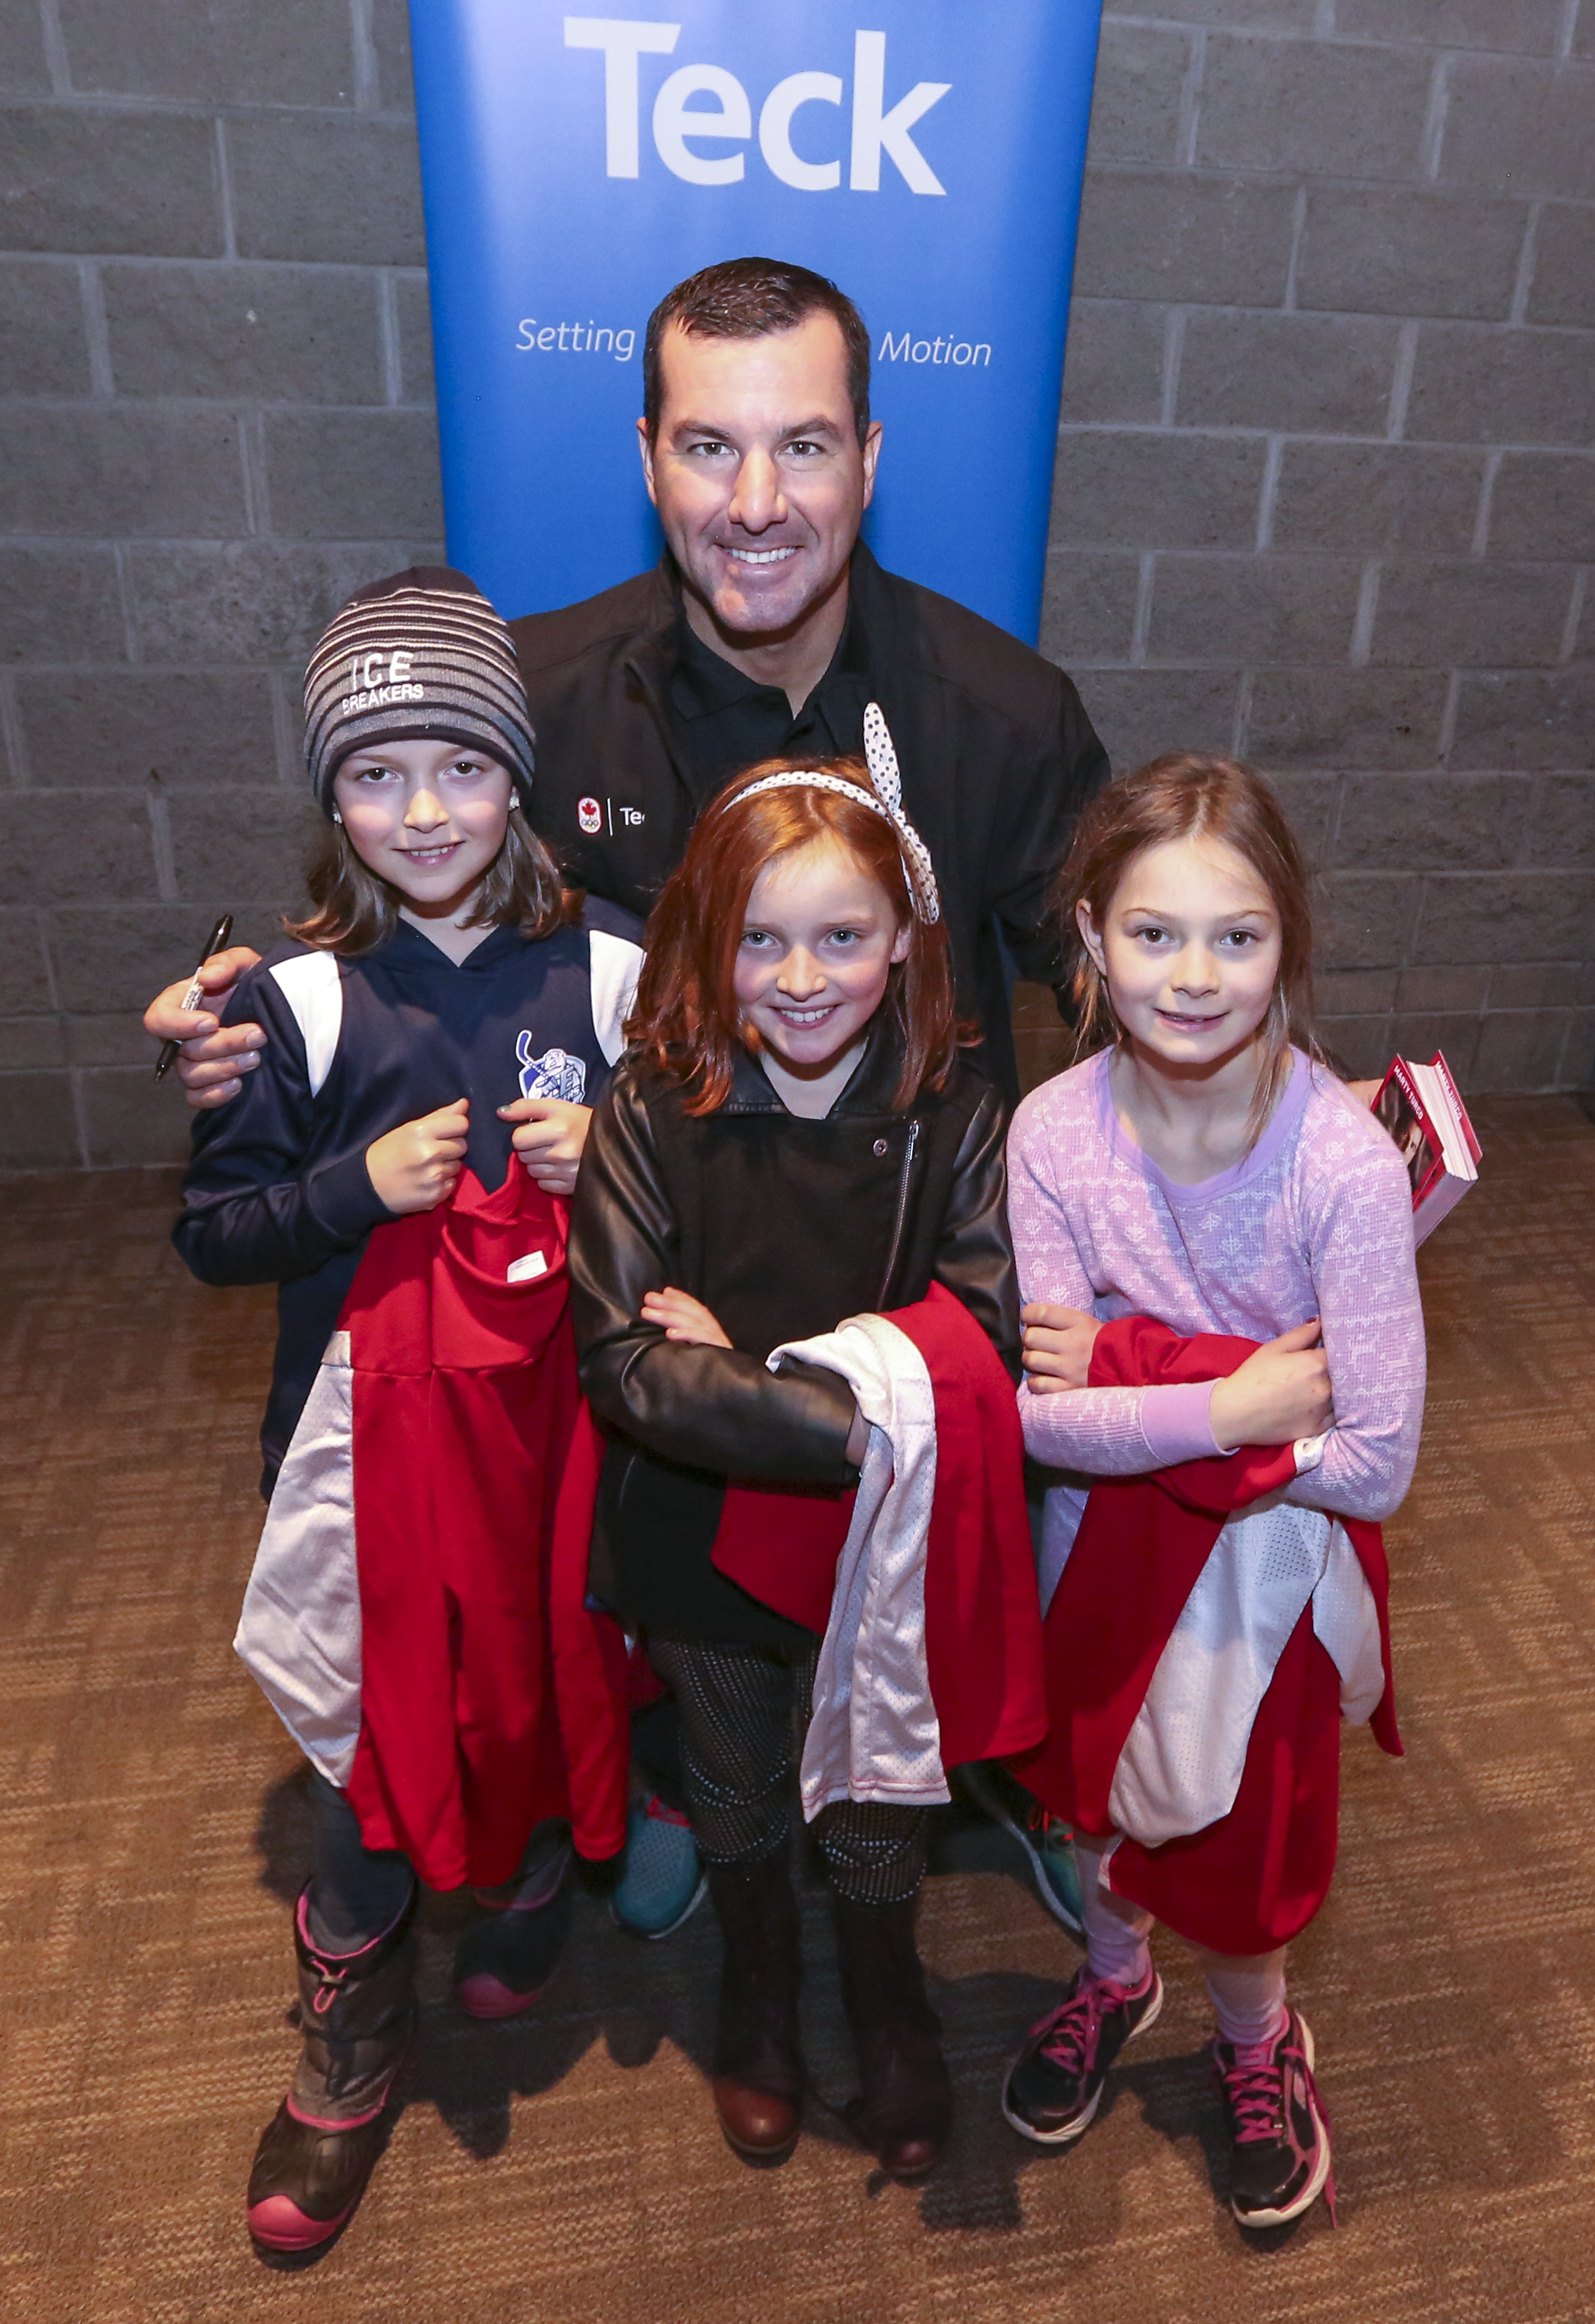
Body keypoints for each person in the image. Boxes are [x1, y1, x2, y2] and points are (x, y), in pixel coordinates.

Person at [144, 253, 1109, 1936]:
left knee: (929, 1655)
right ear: (647, 452)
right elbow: (401, 914)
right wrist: (244, 1024)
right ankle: (669, 1768)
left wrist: (1260, 1142)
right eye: (709, 448)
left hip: (898, 1290)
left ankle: (962, 1771)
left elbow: (1125, 984)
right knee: (672, 1636)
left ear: (872, 457)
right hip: (639, 1311)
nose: (756, 502)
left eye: (804, 448)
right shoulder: (545, 691)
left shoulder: (1005, 709)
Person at [172, 567, 640, 2254]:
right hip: (356, 1448)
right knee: (369, 1739)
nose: (424, 809)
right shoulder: (288, 1001)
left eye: (461, 764)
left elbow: (704, 1203)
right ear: (330, 796)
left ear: (518, 774)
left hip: (554, 1439)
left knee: (531, 1668)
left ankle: (522, 1879)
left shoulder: (607, 967)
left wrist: (625, 1184)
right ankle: (352, 2039)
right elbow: (211, 1235)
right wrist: (351, 1189)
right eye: (376, 773)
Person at [565, 732, 1042, 2179]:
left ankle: (887, 1987)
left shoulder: (956, 1112)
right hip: (699, 1540)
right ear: (710, 939)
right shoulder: (651, 1106)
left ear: (903, 934)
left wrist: (754, 1372)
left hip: (876, 1548)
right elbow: (626, 1361)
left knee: (880, 1780)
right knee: (734, 1769)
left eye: (843, 933)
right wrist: (861, 1394)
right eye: (761, 937)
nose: (801, 973)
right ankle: (760, 1978)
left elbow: (981, 1351)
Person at [999, 755, 1425, 2230]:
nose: (1193, 974)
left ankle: (1257, 2036)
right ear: (1091, 941)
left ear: (1288, 947)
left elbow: (1376, 1456)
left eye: (1236, 935)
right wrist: (1233, 1398)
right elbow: (1047, 1423)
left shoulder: (1344, 1169)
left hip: (1268, 1582)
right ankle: (1113, 1976)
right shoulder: (1052, 1133)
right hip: (1095, 1552)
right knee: (1099, 1806)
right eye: (1154, 932)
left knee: (1240, 1852)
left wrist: (1124, 1371)